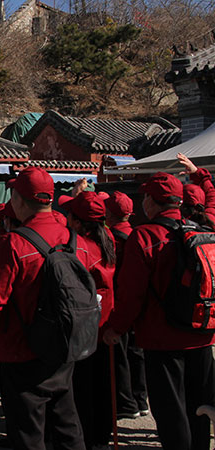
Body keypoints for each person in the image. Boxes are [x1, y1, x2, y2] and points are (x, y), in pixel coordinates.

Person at [0, 167, 92, 450]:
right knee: (67, 426)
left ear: (20, 201)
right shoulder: (75, 239)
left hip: (23, 349)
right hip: (66, 346)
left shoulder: (15, 244)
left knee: (27, 433)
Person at [103, 171, 215, 450]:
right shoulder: (202, 230)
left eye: (144, 197)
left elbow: (131, 294)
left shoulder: (145, 236)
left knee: (170, 410)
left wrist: (115, 327)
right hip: (202, 333)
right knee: (200, 407)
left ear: (153, 201)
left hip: (161, 337)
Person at [60, 190, 116, 450]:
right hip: (105, 320)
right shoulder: (109, 239)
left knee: (83, 386)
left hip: (86, 325)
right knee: (103, 382)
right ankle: (101, 434)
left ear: (79, 222)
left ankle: (88, 435)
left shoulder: (80, 247)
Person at [105, 191, 149, 420]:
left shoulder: (110, 238)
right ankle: (141, 399)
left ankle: (126, 402)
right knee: (137, 352)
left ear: (109, 214)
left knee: (120, 356)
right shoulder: (138, 235)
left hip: (119, 303)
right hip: (141, 307)